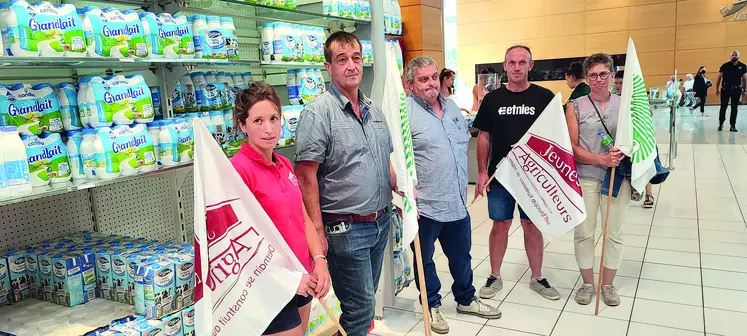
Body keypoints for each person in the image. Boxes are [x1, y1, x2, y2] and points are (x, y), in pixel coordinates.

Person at [294, 31, 395, 336]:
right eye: (342, 60)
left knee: (363, 304)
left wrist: (402, 186)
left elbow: (384, 159)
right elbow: (305, 177)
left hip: (380, 222)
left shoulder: (374, 109)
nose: (351, 66)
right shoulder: (317, 114)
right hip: (346, 229)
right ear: (329, 67)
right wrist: (317, 230)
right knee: (360, 306)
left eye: (356, 58)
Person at [405, 56, 501, 334]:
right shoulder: (405, 115)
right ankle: (431, 305)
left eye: (434, 76)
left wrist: (480, 175)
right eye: (423, 79)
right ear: (411, 84)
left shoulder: (452, 109)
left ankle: (466, 299)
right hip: (425, 206)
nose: (431, 83)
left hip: (457, 202)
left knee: (461, 257)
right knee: (425, 261)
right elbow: (394, 158)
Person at [230, 83, 331, 336]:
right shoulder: (238, 170)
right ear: (243, 125)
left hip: (302, 277)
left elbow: (303, 217)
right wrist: (286, 280)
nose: (268, 128)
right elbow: (241, 241)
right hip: (269, 285)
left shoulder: (284, 163)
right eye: (258, 120)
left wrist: (319, 261)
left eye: (274, 118)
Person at [473, 45, 561, 302]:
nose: (517, 67)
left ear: (530, 66)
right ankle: (494, 275)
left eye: (522, 62)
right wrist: (481, 172)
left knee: (531, 225)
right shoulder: (492, 100)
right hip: (500, 177)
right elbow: (484, 137)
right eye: (512, 62)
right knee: (500, 224)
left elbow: (554, 138)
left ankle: (537, 277)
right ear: (505, 66)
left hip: (532, 177)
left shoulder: (545, 98)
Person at [564, 53, 630, 307]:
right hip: (587, 178)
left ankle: (608, 285)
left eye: (604, 74)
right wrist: (600, 159)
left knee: (614, 232)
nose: (599, 79)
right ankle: (587, 283)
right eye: (593, 75)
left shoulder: (625, 104)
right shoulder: (576, 106)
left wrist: (623, 152)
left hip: (617, 179)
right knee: (584, 232)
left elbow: (636, 139)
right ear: (587, 78)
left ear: (612, 76)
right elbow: (571, 146)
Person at [715, 50, 747, 132]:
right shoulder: (725, 66)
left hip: (737, 89)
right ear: (730, 56)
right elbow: (719, 77)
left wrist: (745, 89)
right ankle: (721, 124)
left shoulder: (742, 66)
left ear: (738, 56)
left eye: (736, 55)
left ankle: (732, 125)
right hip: (725, 89)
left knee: (734, 107)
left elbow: (744, 78)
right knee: (723, 107)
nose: (734, 56)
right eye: (733, 55)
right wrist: (717, 89)